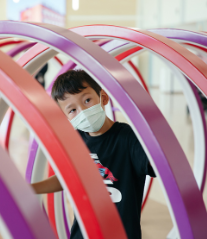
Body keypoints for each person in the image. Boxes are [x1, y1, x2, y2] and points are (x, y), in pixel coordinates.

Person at [31, 69, 156, 239]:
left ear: (103, 98)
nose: (82, 111)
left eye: (87, 100)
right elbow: (67, 177)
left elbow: (158, 165)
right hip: (83, 233)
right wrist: (30, 189)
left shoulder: (129, 138)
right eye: (72, 110)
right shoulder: (75, 141)